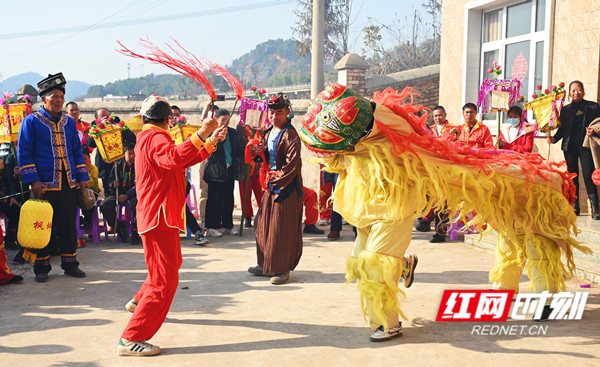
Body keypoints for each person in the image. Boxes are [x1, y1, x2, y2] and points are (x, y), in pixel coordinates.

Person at [117, 95, 226, 357]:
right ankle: (132, 336)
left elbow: (178, 160)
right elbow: (175, 157)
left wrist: (209, 141)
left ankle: (138, 300)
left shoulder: (149, 137)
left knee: (167, 267)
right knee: (164, 281)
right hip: (159, 216)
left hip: (159, 216)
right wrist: (201, 133)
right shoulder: (156, 138)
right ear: (168, 120)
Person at [17, 72, 89, 282]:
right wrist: (33, 180)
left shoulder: (68, 123)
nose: (58, 100)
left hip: (68, 183)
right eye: (54, 96)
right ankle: (42, 267)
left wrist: (82, 176)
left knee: (68, 224)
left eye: (61, 96)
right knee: (43, 226)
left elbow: (76, 151)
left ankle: (70, 264)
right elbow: (24, 152)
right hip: (44, 185)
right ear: (44, 99)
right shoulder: (31, 122)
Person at [247, 93, 303, 285]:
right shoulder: (268, 132)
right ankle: (265, 265)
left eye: (279, 112)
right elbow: (263, 158)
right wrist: (257, 152)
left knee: (281, 229)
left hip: (286, 188)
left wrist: (277, 180)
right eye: (271, 113)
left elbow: (294, 164)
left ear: (287, 112)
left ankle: (282, 269)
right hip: (270, 186)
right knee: (262, 224)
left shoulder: (290, 134)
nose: (274, 116)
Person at [548, 81, 600, 218]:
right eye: (573, 90)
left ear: (583, 91)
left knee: (588, 175)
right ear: (569, 93)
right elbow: (562, 129)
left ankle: (595, 208)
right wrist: (554, 139)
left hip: (586, 146)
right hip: (569, 146)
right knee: (572, 176)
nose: (576, 93)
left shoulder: (593, 107)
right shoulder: (566, 110)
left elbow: (599, 123)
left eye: (578, 90)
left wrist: (594, 130)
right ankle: (575, 206)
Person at [414, 106, 452, 242]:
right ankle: (426, 220)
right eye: (435, 116)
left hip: (446, 168)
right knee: (433, 198)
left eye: (440, 115)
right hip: (431, 169)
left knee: (443, 201)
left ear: (445, 115)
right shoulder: (430, 130)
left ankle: (439, 232)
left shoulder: (453, 129)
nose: (438, 118)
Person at [203, 109, 240, 237]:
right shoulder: (211, 133)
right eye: (223, 120)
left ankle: (228, 225)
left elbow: (238, 149)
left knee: (228, 198)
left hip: (229, 169)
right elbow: (210, 150)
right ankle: (211, 226)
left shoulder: (233, 133)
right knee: (214, 199)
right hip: (216, 170)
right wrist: (220, 138)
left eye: (227, 119)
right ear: (216, 120)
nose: (225, 122)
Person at [86, 108, 136, 196]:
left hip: (119, 163)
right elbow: (90, 143)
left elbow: (131, 137)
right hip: (104, 164)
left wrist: (118, 128)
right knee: (107, 191)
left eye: (108, 117)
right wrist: (99, 127)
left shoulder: (117, 122)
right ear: (97, 119)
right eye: (102, 118)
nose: (106, 119)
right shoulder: (94, 126)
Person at [101, 142, 137, 244]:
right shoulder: (117, 166)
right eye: (129, 153)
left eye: (134, 153)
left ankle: (135, 231)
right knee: (105, 205)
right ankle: (119, 226)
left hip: (132, 194)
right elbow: (109, 183)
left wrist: (127, 195)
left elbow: (138, 184)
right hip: (118, 193)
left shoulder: (138, 165)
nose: (132, 156)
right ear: (124, 154)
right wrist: (113, 184)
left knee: (137, 205)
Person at [235, 119, 264, 228]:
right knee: (245, 194)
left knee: (261, 193)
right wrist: (249, 150)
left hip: (258, 167)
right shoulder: (241, 129)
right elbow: (238, 148)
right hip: (245, 167)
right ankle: (247, 217)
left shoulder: (261, 129)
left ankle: (263, 215)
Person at [80, 146, 100, 232]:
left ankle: (87, 221)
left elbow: (92, 183)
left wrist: (85, 172)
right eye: (81, 159)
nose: (83, 161)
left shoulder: (93, 169)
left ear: (88, 158)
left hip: (92, 191)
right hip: (79, 190)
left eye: (85, 159)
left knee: (89, 200)